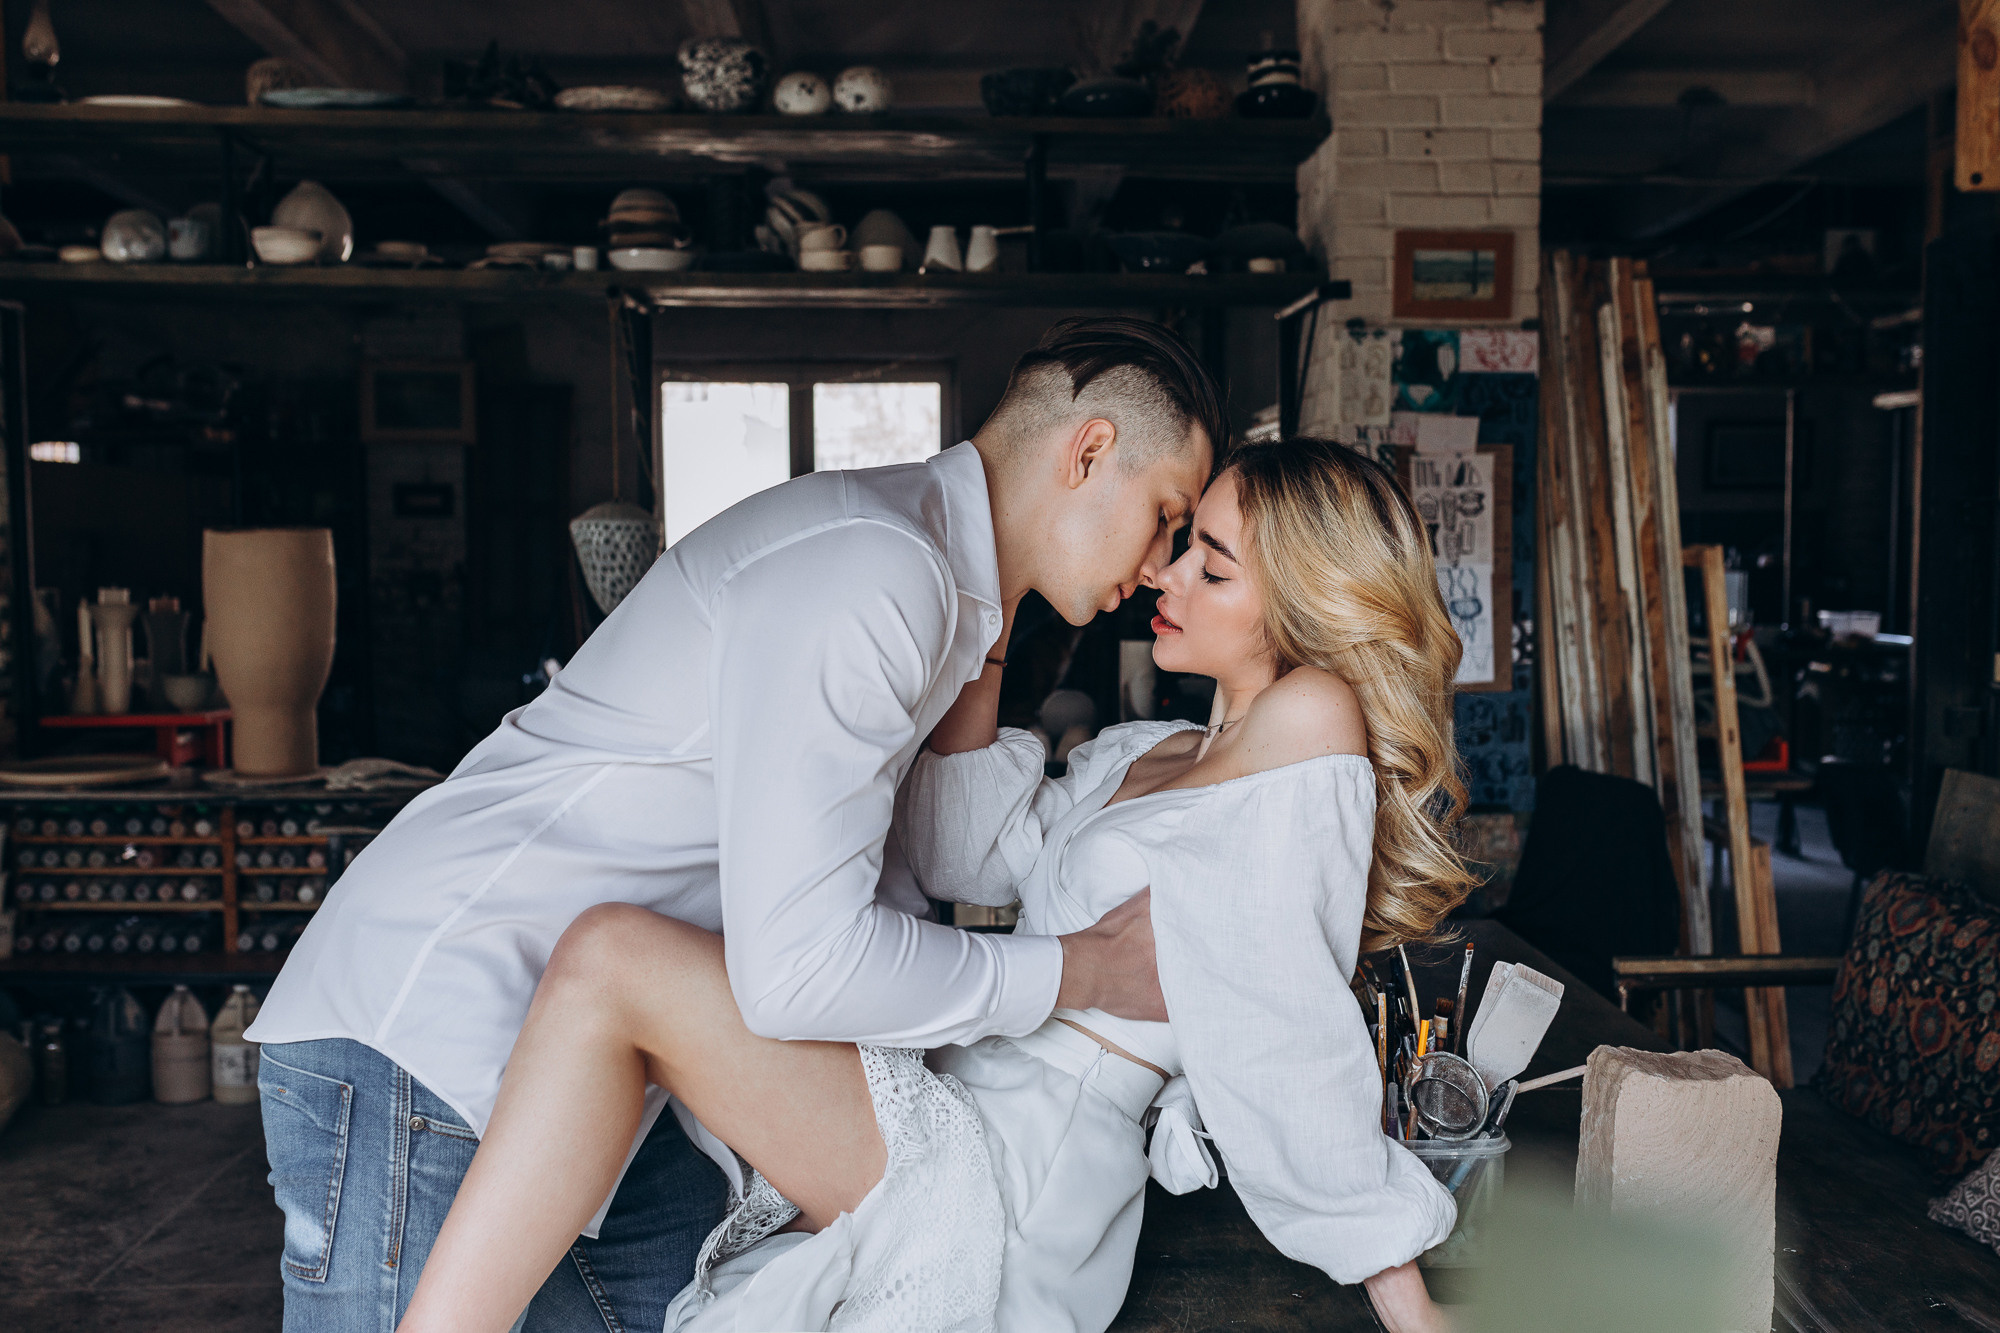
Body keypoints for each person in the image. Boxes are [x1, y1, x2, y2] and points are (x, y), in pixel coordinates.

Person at [243, 317, 1224, 1332]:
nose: (1160, 566)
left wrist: (994, 637)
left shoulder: (939, 584)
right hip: (441, 1022)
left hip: (606, 1072)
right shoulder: (878, 572)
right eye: (1165, 516)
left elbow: (938, 857)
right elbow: (799, 965)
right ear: (1089, 450)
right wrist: (1076, 971)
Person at [394, 438, 1476, 1333]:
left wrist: (1398, 1289)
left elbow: (1282, 1020)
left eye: (1211, 563)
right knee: (604, 962)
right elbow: (964, 848)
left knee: (610, 958)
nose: (1163, 574)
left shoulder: (1310, 716)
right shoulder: (1148, 751)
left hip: (1017, 1169)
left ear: (1300, 596)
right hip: (952, 1093)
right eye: (1178, 544)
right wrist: (992, 599)